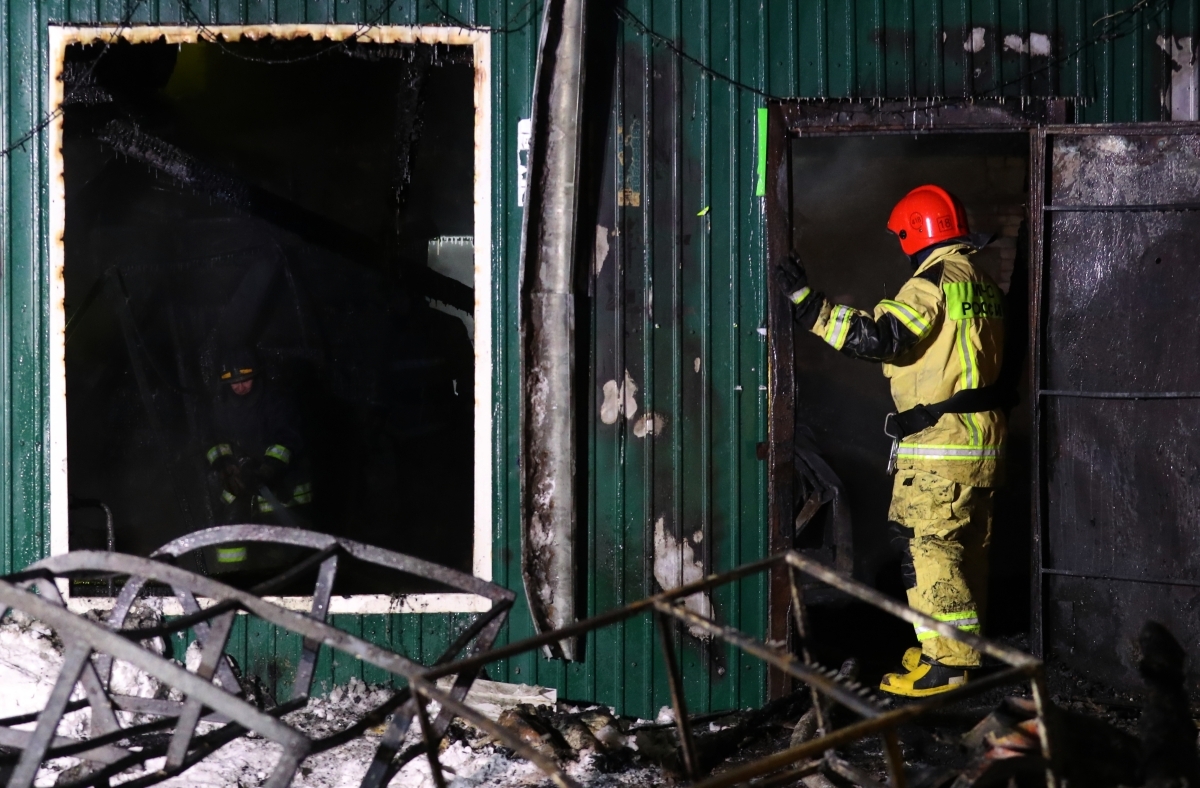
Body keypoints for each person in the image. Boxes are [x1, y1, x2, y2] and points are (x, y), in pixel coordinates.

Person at [775, 184, 1006, 697]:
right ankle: (959, 649)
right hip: (980, 441)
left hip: (941, 445)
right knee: (965, 551)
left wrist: (809, 307)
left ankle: (948, 665)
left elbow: (881, 339)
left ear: (912, 236)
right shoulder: (980, 281)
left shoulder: (931, 284)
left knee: (928, 549)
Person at [203, 347, 312, 575]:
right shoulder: (221, 407)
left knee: (287, 551)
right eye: (233, 383)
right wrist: (224, 465)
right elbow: (214, 440)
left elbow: (288, 439)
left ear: (256, 375)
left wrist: (268, 469)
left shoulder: (276, 401)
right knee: (230, 536)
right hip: (242, 484)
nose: (240, 386)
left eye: (245, 380)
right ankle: (231, 582)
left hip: (284, 489)